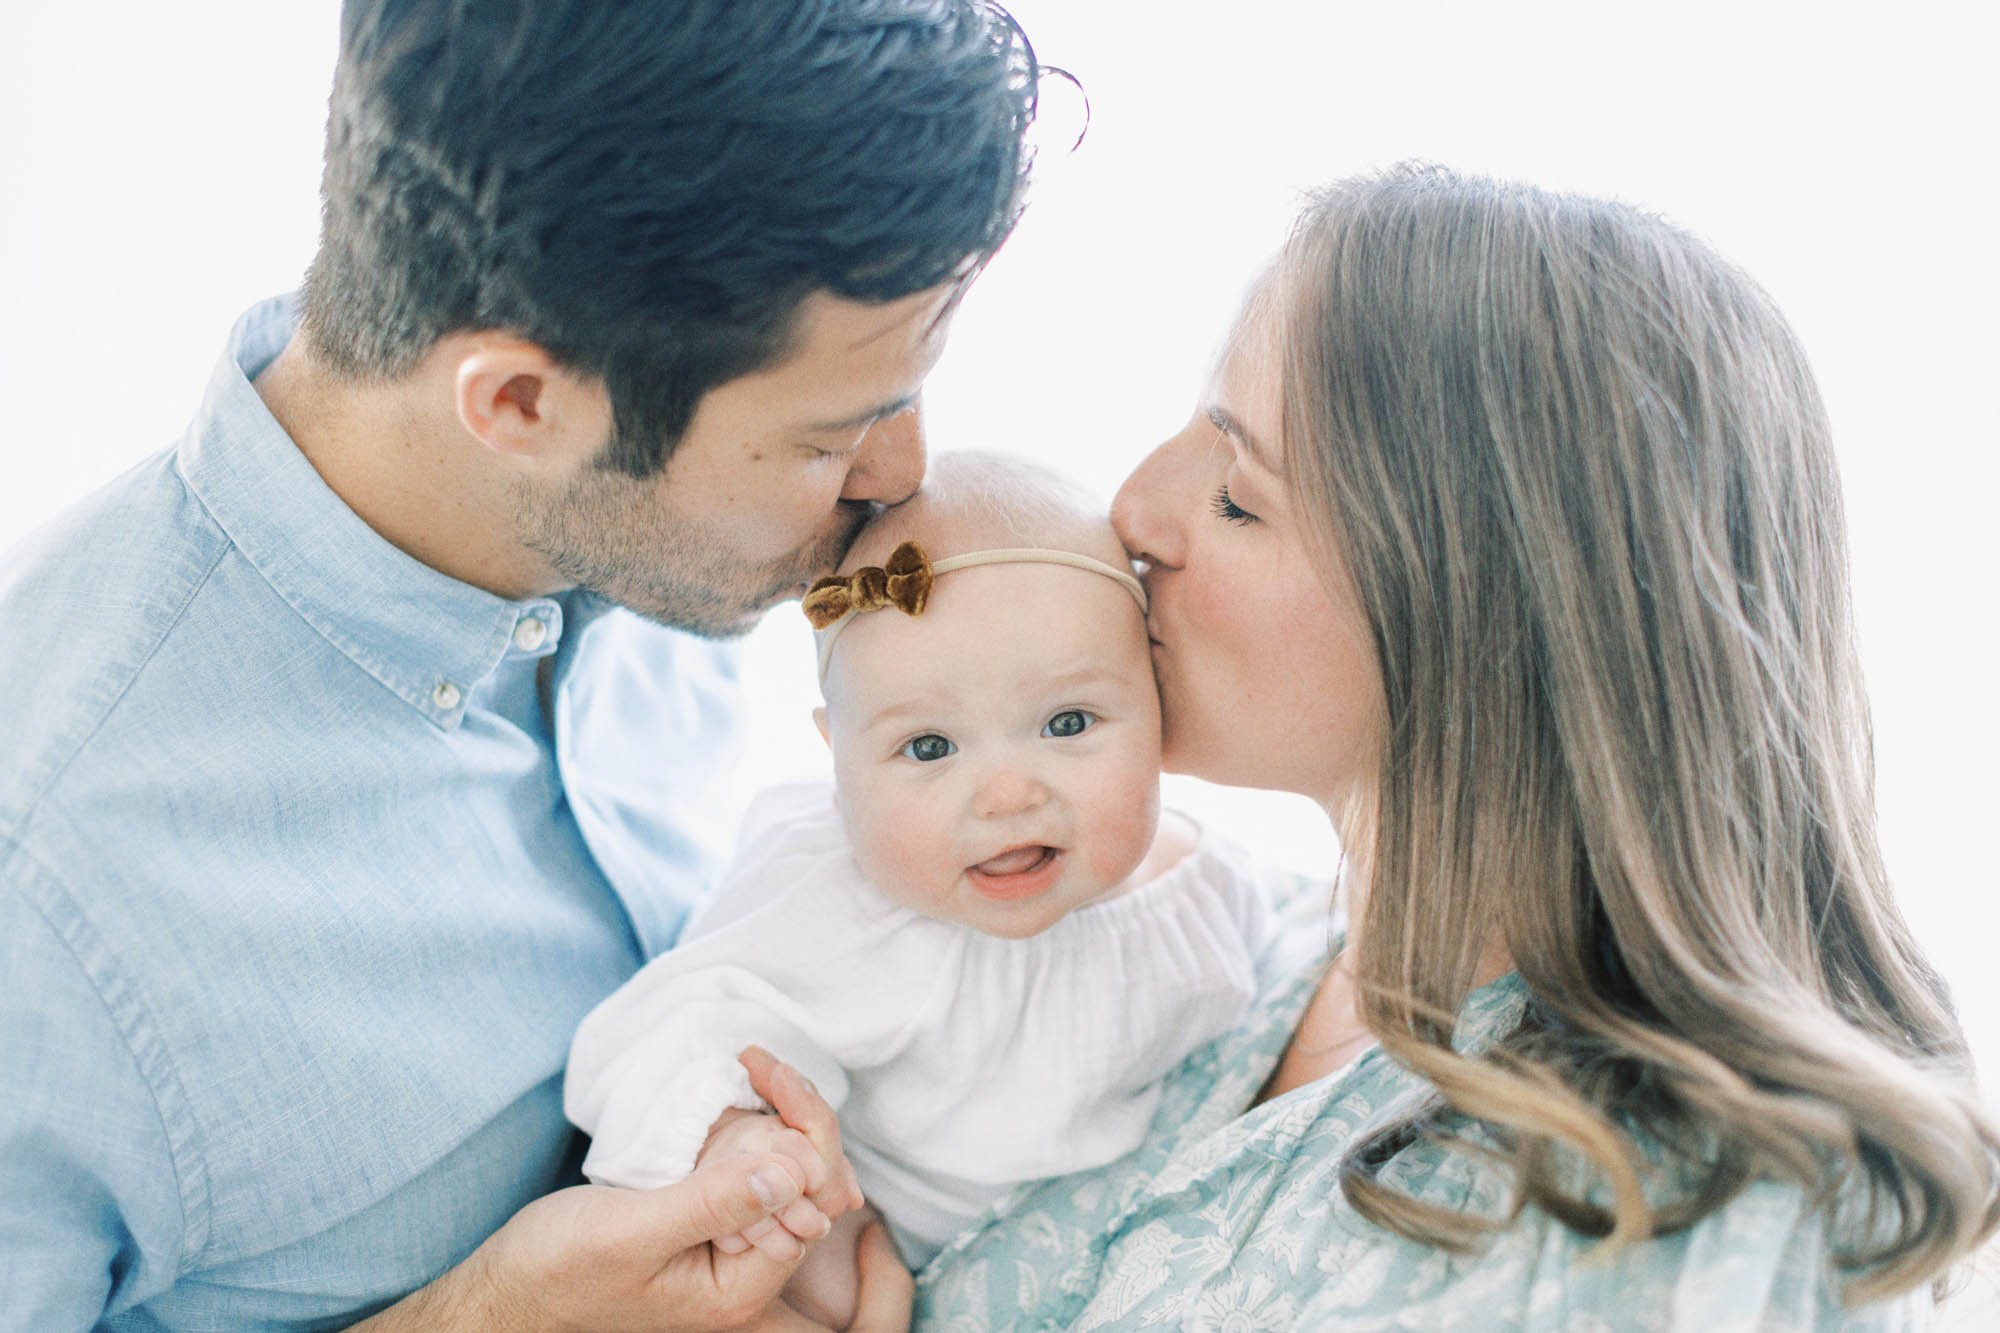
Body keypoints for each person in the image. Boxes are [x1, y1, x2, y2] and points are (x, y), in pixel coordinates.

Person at [0, 2, 1040, 1328]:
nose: (904, 474)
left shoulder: (654, 547)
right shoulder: (45, 895)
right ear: (520, 407)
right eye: (834, 435)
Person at [909, 166, 2000, 1328]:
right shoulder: (1199, 964)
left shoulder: (1681, 1210)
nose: (1132, 512)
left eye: (1237, 492)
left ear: (1486, 612)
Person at [563, 453, 1275, 1326]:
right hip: (878, 1242)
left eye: (1068, 723)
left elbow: (1262, 1012)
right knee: (793, 1251)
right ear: (837, 762)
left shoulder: (1202, 886)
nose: (1008, 795)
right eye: (930, 747)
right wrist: (737, 1136)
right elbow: (675, 1028)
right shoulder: (846, 907)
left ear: (1159, 707)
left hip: (1092, 1237)